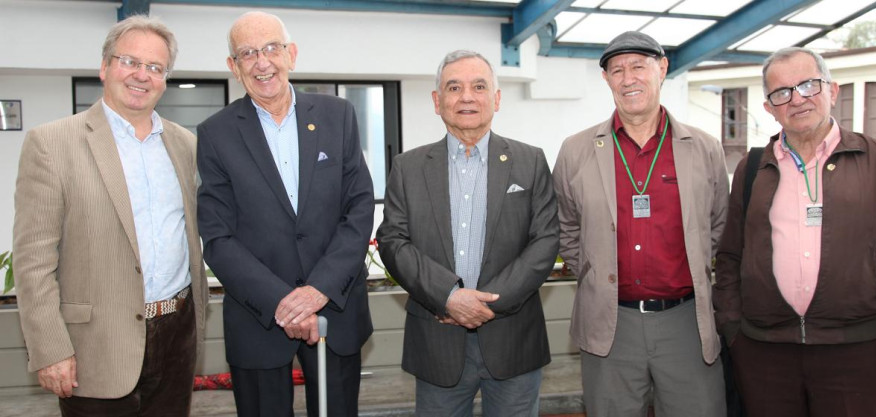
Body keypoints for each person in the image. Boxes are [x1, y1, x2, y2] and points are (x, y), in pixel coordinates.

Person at [713, 46, 876, 416]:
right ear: (770, 108)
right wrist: (734, 331)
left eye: (808, 85)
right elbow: (730, 256)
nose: (797, 99)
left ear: (832, 91)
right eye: (781, 93)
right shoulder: (752, 168)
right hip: (764, 354)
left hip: (855, 353)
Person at [12, 15, 208, 416]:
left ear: (165, 79)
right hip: (95, 347)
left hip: (176, 336)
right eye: (129, 61)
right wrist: (51, 349)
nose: (141, 75)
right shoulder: (51, 143)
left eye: (155, 67)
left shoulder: (184, 144)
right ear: (104, 67)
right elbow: (33, 261)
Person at [196, 11, 375, 417]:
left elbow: (359, 209)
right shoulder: (215, 133)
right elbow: (218, 237)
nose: (262, 62)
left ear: (291, 54)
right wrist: (283, 302)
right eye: (247, 53)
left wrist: (318, 291)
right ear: (233, 66)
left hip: (336, 312)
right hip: (257, 318)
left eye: (272, 48)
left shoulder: (338, 116)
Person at [552, 31, 729, 416]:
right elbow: (565, 225)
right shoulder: (576, 150)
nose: (628, 78)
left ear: (662, 69)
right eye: (616, 70)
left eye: (638, 66)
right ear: (606, 80)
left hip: (687, 322)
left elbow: (719, 225)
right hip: (610, 325)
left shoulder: (704, 148)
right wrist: (593, 270)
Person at [376, 50, 559, 417]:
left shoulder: (531, 160)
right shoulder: (408, 167)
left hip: (513, 339)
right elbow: (392, 241)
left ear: (496, 98)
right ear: (437, 101)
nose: (467, 97)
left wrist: (486, 304)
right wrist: (448, 296)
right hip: (437, 340)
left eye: (479, 86)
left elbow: (546, 241)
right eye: (454, 87)